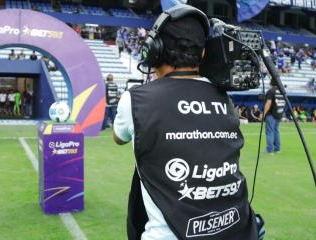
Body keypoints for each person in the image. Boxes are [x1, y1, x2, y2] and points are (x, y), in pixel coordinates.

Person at [113, 5, 263, 240]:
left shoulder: (135, 100)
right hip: (237, 229)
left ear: (155, 50)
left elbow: (118, 137)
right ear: (203, 54)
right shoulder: (224, 98)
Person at [263, 81, 286, 154]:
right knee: (276, 131)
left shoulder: (271, 91)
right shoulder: (282, 91)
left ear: (271, 83)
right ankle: (277, 149)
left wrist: (263, 113)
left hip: (271, 114)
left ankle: (269, 150)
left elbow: (268, 102)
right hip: (278, 113)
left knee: (270, 132)